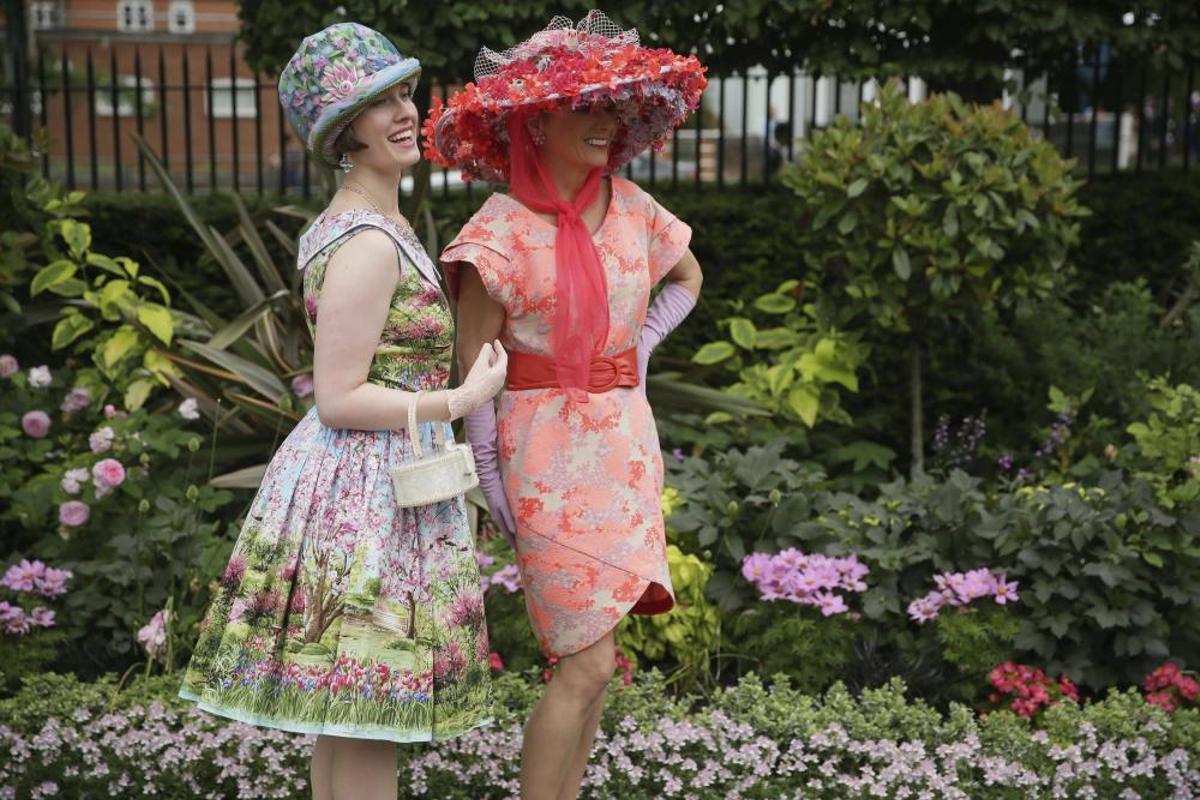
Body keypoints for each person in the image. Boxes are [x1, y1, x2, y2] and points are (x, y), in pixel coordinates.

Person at [178, 22, 507, 800]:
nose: (403, 112)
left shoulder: (377, 223)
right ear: (341, 132)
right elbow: (339, 396)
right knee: (367, 718)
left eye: (402, 93)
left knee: (351, 719)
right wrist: (461, 400)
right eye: (376, 103)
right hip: (366, 498)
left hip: (370, 483)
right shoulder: (366, 240)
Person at [425, 11, 706, 800]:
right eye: (588, 107)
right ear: (539, 121)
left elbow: (688, 279)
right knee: (581, 662)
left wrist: (641, 347)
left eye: (613, 107)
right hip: (540, 460)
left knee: (603, 661)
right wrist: (488, 474)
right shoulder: (496, 235)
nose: (608, 123)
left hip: (623, 446)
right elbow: (473, 369)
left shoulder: (635, 207)